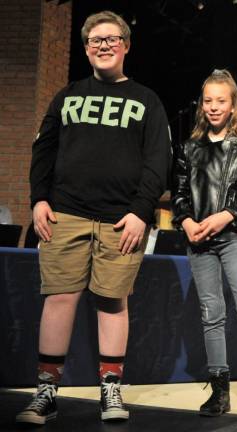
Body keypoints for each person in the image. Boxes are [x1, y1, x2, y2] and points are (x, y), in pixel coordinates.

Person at [16, 10, 171, 424]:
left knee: (112, 301)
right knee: (60, 299)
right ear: (86, 49)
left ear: (125, 45)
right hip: (64, 214)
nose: (103, 45)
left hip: (122, 221)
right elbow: (43, 151)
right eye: (95, 40)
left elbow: (159, 162)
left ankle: (111, 391)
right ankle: (46, 392)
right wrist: (38, 200)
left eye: (111, 38)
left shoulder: (146, 101)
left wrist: (141, 212)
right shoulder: (66, 96)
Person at [171, 69, 237, 421]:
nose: (214, 107)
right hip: (199, 242)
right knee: (211, 315)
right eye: (208, 101)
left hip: (232, 238)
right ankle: (219, 391)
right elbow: (181, 194)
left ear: (233, 106)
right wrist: (187, 222)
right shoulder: (189, 148)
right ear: (202, 106)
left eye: (221, 100)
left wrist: (225, 216)